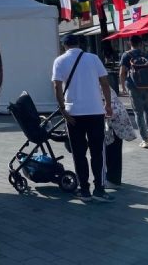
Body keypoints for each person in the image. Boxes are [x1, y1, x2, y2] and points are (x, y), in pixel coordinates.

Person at [51, 34, 114, 203]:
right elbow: (105, 83)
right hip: (95, 111)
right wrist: (108, 105)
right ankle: (99, 189)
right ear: (79, 43)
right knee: (97, 152)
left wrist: (62, 109)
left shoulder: (59, 61)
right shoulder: (93, 58)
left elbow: (56, 85)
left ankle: (84, 190)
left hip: (73, 114)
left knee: (79, 153)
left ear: (64, 45)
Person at [119, 35, 148, 148]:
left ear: (129, 43)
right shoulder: (147, 55)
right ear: (141, 43)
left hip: (133, 86)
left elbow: (122, 72)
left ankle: (145, 139)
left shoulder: (127, 55)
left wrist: (122, 87)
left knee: (138, 112)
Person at [104, 87, 136, 189]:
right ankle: (113, 178)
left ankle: (113, 180)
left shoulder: (95, 85)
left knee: (112, 150)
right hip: (115, 118)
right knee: (113, 150)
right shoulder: (100, 82)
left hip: (113, 119)